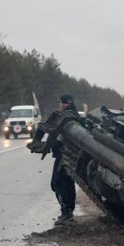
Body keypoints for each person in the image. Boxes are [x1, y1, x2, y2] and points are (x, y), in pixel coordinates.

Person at [51, 94, 77, 225]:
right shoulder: (74, 116)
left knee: (56, 183)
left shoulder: (65, 117)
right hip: (71, 157)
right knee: (68, 183)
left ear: (65, 103)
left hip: (64, 155)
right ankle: (69, 210)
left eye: (60, 102)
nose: (59, 105)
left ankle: (66, 211)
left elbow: (60, 137)